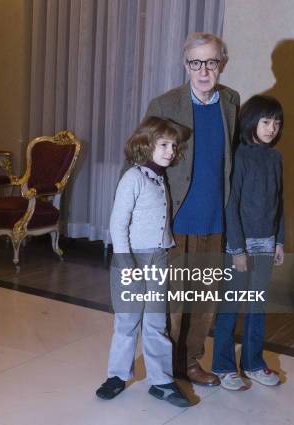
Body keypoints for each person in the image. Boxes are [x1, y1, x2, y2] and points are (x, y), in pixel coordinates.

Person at [144, 32, 240, 387]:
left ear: (222, 65)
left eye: (211, 62)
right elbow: (140, 160)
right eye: (195, 62)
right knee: (171, 302)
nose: (203, 70)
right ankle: (163, 367)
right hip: (176, 220)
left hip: (214, 219)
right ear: (186, 65)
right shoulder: (165, 104)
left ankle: (190, 361)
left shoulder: (231, 102)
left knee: (203, 300)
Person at [96, 116, 191, 407]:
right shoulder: (133, 178)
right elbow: (118, 224)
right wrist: (127, 265)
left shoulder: (161, 178)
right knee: (127, 321)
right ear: (145, 144)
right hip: (132, 259)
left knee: (155, 320)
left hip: (157, 258)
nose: (170, 151)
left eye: (173, 146)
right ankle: (117, 375)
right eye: (163, 144)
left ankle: (160, 380)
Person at [212, 95, 285, 390]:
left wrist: (279, 241)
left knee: (258, 306)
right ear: (251, 121)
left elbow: (281, 202)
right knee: (230, 306)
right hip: (240, 247)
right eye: (266, 121)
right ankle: (223, 365)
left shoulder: (276, 158)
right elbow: (232, 205)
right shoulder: (239, 155)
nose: (271, 128)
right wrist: (237, 249)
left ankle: (254, 363)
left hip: (267, 244)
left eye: (277, 123)